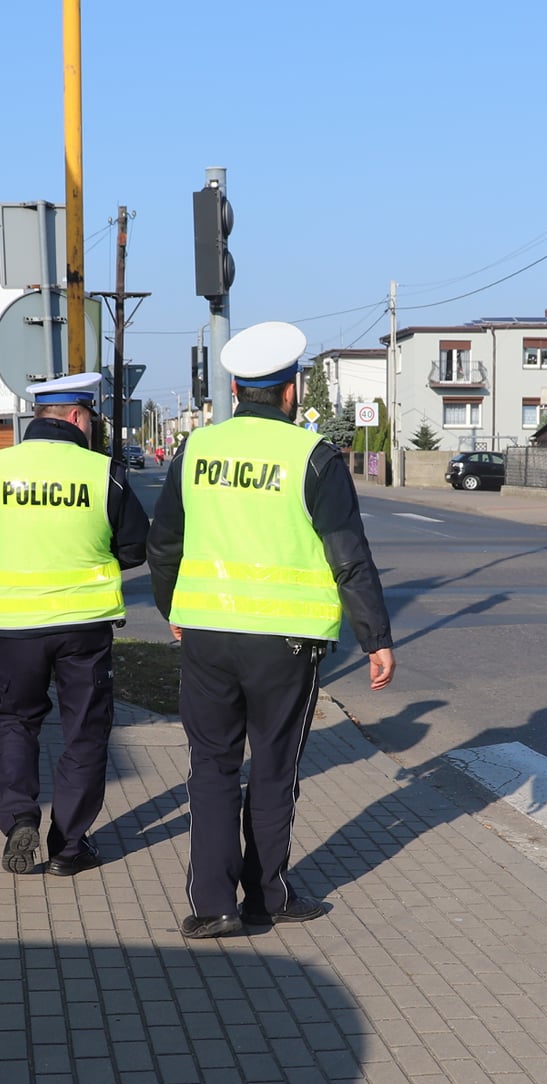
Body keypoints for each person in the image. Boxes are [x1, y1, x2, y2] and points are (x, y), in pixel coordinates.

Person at [147, 321, 396, 940]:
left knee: (210, 768)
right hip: (286, 641)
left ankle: (213, 907)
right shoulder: (313, 457)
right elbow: (348, 554)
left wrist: (172, 609)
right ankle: (265, 898)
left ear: (236, 387)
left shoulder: (195, 451)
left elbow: (163, 544)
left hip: (206, 632)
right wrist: (376, 637)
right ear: (291, 390)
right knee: (273, 769)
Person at [0, 372, 150, 876]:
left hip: (15, 625)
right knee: (85, 731)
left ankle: (19, 818)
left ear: (39, 416)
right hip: (85, 626)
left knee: (16, 720)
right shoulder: (106, 474)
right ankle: (68, 846)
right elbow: (135, 547)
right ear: (79, 417)